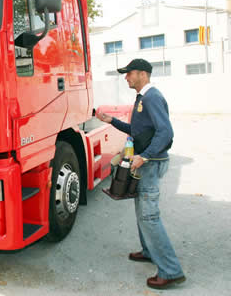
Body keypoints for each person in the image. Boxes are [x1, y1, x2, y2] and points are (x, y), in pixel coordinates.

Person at [96, 58, 186, 290]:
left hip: (150, 164)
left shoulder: (152, 97)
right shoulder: (142, 99)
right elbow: (137, 131)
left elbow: (165, 132)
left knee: (149, 217)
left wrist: (144, 156)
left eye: (130, 73)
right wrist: (111, 121)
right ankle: (148, 251)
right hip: (144, 163)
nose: (126, 77)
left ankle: (171, 271)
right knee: (142, 213)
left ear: (143, 74)